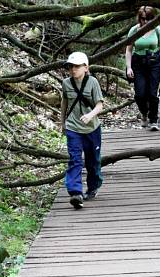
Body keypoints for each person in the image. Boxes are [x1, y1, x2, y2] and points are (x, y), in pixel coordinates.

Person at [60, 52, 105, 209]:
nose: (73, 69)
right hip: (73, 127)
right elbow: (64, 102)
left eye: (77, 66)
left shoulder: (93, 82)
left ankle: (93, 187)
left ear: (86, 68)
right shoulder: (66, 83)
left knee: (93, 161)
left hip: (92, 128)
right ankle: (75, 193)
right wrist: (62, 123)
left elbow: (100, 105)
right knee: (75, 159)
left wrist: (90, 115)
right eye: (71, 67)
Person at [125, 6, 160, 131]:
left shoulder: (157, 30)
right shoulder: (133, 30)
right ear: (139, 18)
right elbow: (129, 50)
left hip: (155, 63)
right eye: (143, 19)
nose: (145, 22)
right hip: (138, 64)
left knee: (153, 94)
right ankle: (144, 113)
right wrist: (129, 67)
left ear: (153, 18)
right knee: (140, 94)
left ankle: (153, 120)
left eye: (148, 19)